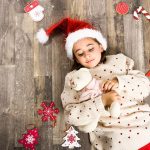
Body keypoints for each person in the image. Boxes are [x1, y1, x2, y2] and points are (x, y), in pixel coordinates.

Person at [36, 17, 150, 150]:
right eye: (80, 53)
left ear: (101, 46)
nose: (87, 55)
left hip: (144, 125)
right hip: (115, 140)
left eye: (91, 49)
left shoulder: (119, 62)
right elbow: (72, 116)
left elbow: (145, 86)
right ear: (76, 58)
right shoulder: (75, 80)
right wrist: (101, 102)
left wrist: (119, 82)